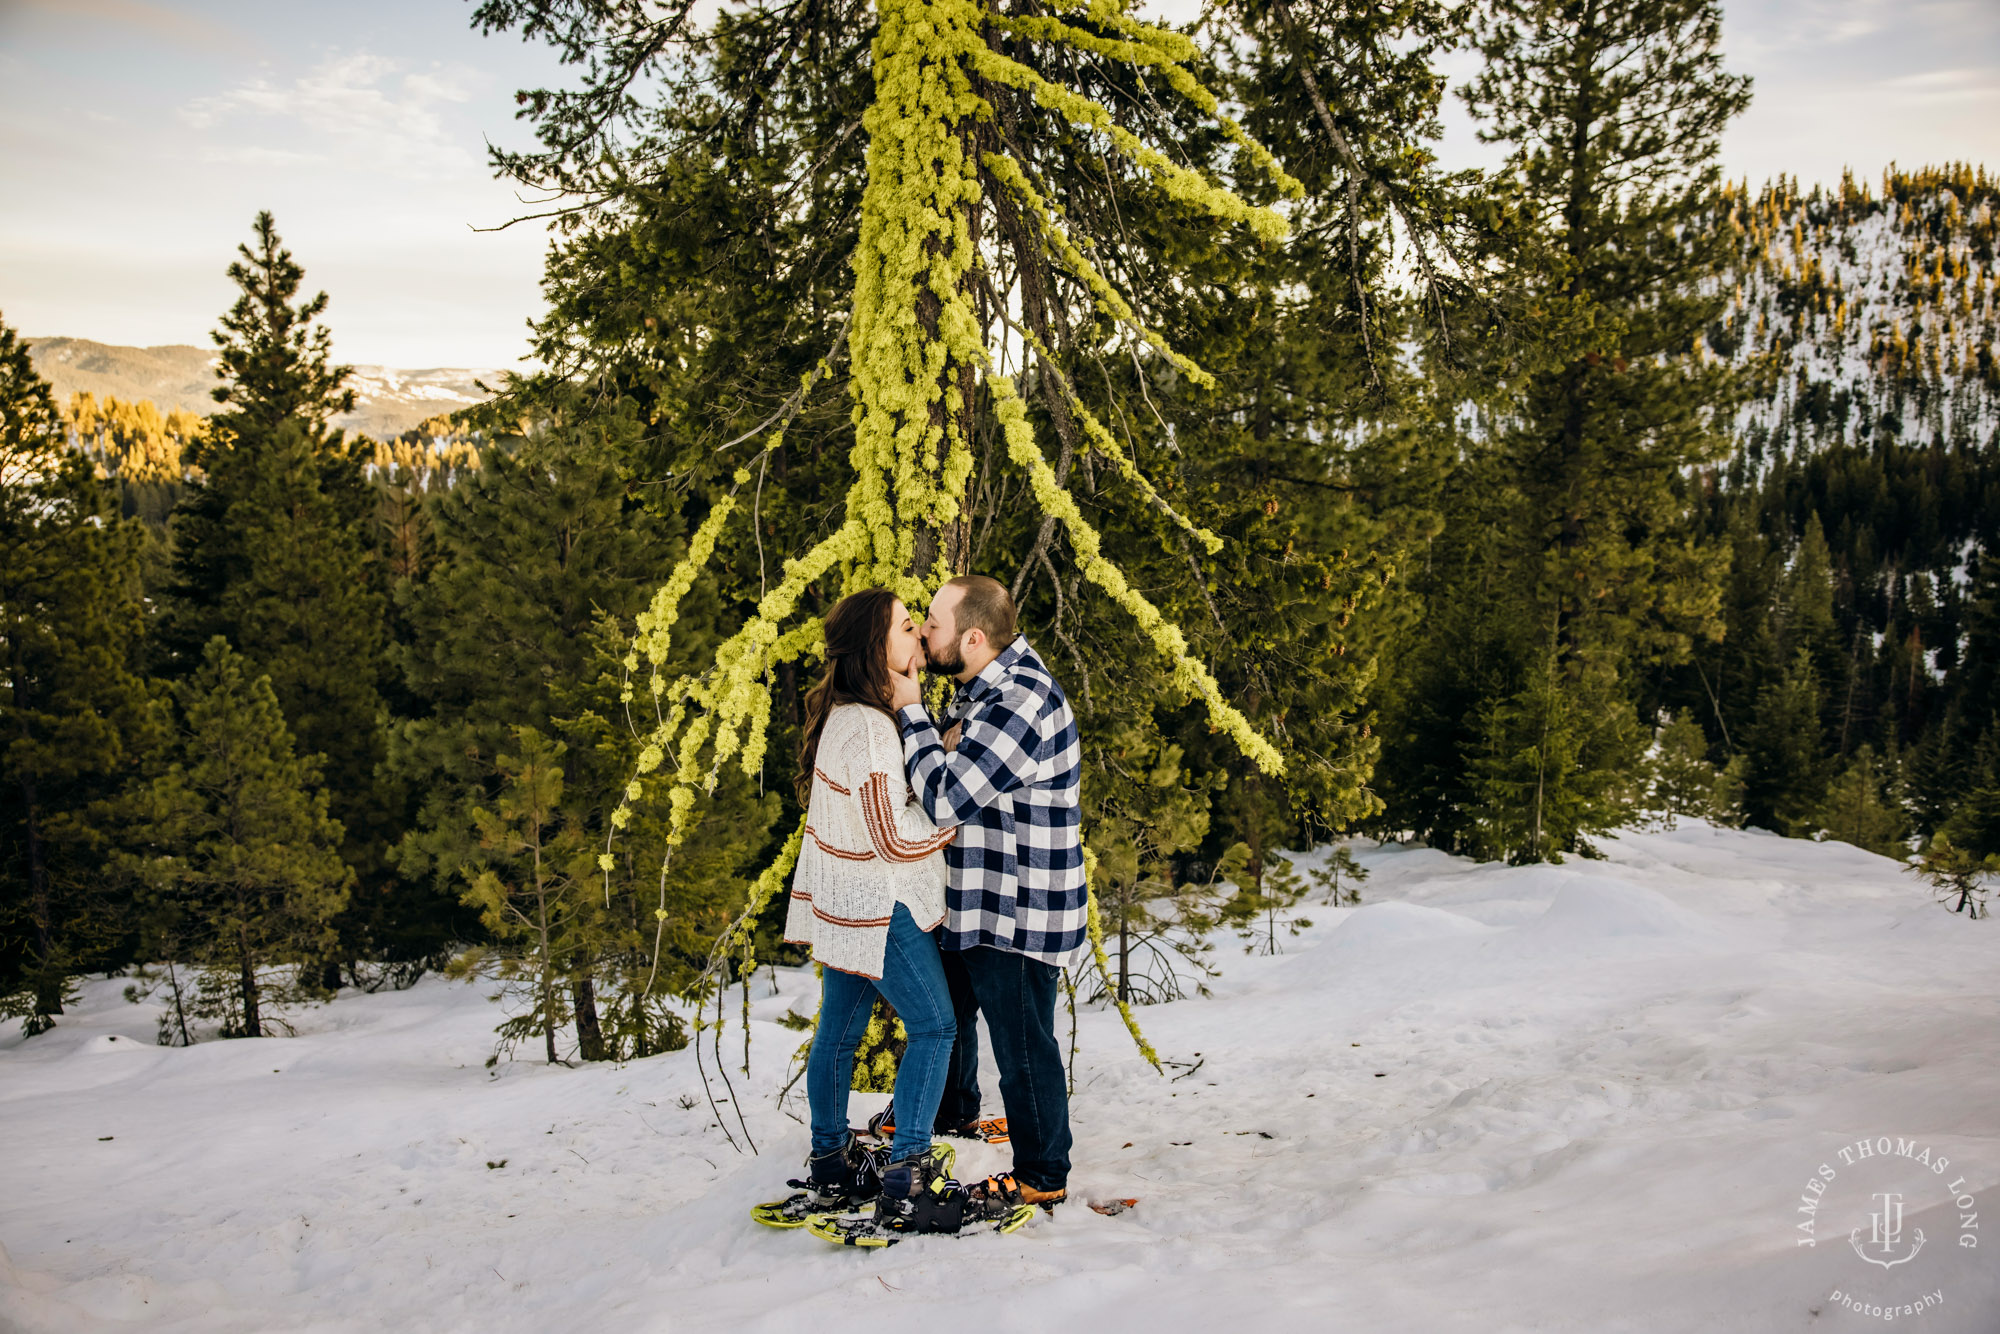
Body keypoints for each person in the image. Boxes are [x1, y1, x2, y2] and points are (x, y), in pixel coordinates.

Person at [763, 588, 963, 1237]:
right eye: (908, 627)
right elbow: (891, 837)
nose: (918, 636)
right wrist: (947, 828)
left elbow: (872, 805)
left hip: (842, 903)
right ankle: (909, 1177)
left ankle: (832, 1161)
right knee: (935, 1027)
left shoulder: (848, 715)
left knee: (840, 1035)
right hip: (880, 906)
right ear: (880, 647)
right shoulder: (872, 729)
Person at [891, 574, 1085, 1215]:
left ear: (974, 637)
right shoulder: (981, 690)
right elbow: (945, 777)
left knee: (1022, 1039)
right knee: (945, 1014)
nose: (922, 632)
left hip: (1017, 902)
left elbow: (945, 796)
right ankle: (953, 1119)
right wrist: (938, 749)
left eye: (934, 624)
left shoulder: (1019, 699)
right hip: (975, 892)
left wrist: (912, 712)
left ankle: (1041, 1173)